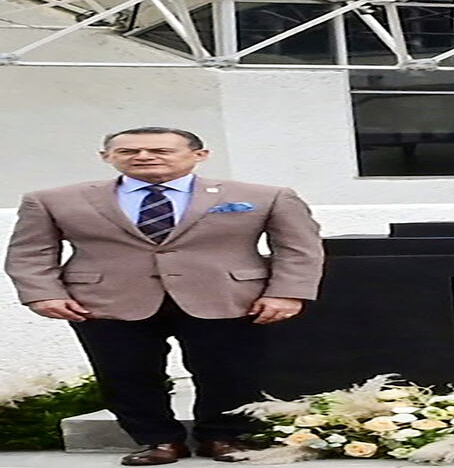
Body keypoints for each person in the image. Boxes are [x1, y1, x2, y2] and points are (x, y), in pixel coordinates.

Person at [5, 127, 324, 466]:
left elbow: (299, 249)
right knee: (125, 374)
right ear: (106, 157)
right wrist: (44, 295)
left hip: (230, 297)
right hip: (104, 300)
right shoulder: (52, 200)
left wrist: (286, 293)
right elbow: (30, 252)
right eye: (129, 151)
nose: (143, 157)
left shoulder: (265, 196)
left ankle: (224, 437)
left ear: (200, 155)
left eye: (160, 150)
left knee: (229, 373)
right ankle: (157, 441)